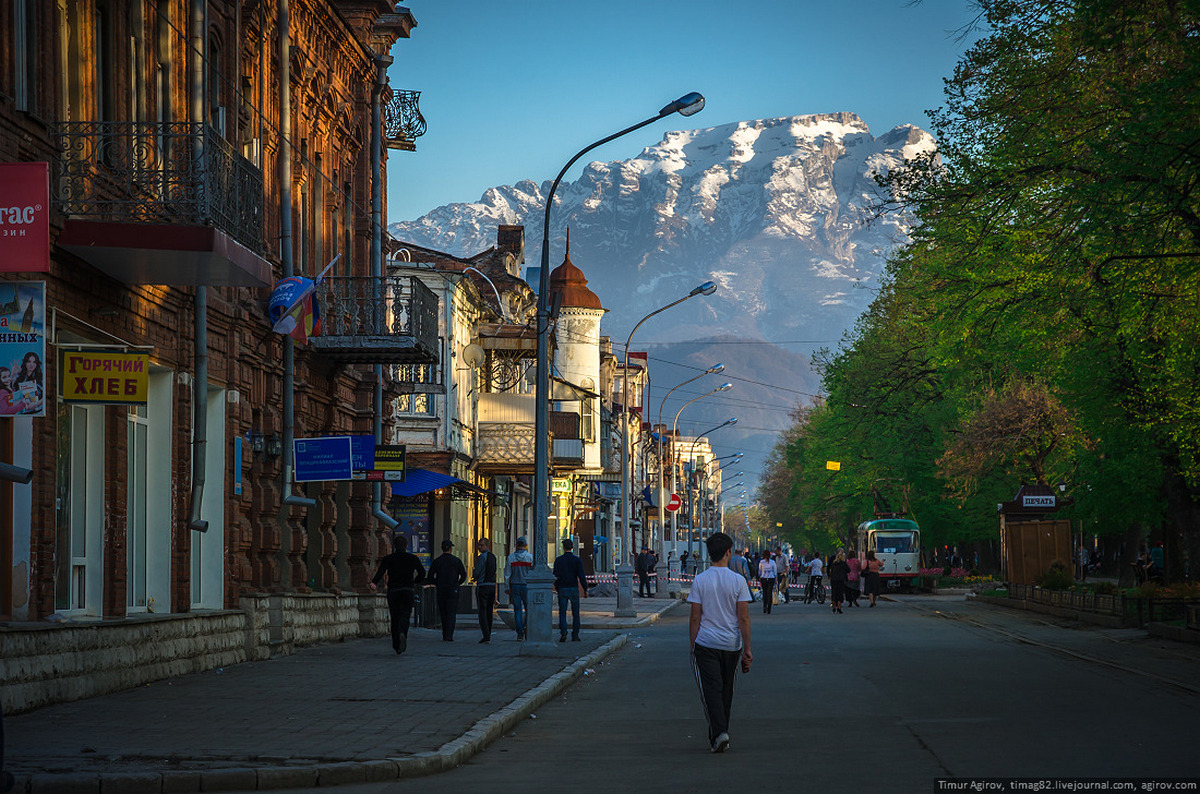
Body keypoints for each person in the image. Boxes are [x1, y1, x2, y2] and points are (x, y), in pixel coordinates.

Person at [688, 531, 752, 754]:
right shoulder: (739, 581)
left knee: (710, 690)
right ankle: (721, 732)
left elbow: (695, 616)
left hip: (706, 643)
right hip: (731, 645)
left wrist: (692, 644)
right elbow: (743, 617)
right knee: (726, 690)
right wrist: (747, 649)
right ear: (728, 553)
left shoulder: (700, 580)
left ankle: (719, 733)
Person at [368, 534, 426, 654]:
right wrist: (415, 581)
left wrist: (374, 582)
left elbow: (381, 571)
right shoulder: (412, 558)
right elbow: (422, 572)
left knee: (395, 617)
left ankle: (396, 645)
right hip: (407, 590)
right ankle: (402, 633)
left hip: (393, 591)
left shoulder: (389, 559)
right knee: (405, 614)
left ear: (395, 546)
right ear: (406, 546)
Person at [428, 539, 467, 641]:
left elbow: (430, 576)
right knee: (451, 612)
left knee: (443, 611)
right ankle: (449, 635)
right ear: (450, 549)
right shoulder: (456, 561)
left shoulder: (437, 561)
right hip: (453, 589)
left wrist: (437, 583)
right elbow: (463, 575)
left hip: (441, 589)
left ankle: (445, 633)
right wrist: (457, 583)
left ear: (442, 548)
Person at [553, 538, 589, 642]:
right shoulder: (577, 560)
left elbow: (555, 575)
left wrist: (557, 586)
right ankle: (575, 635)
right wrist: (585, 589)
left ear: (563, 547)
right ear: (572, 547)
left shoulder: (559, 560)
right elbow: (581, 576)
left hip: (562, 589)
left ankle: (563, 633)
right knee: (575, 613)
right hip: (573, 588)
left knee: (562, 612)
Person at [505, 536, 534, 640]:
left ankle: (520, 633)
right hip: (527, 586)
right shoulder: (530, 558)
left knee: (517, 610)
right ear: (525, 545)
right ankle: (526, 626)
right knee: (528, 609)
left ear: (516, 545)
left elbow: (507, 574)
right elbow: (533, 573)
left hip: (515, 586)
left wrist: (507, 586)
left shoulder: (511, 557)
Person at [472, 537, 498, 643]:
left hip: (483, 586)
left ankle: (486, 635)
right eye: (479, 545)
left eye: (481, 545)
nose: (479, 547)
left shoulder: (482, 557)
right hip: (491, 586)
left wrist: (474, 576)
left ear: (487, 546)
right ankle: (488, 633)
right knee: (489, 612)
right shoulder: (493, 557)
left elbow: (477, 572)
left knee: (482, 612)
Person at [757, 549, 777, 614]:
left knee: (765, 593)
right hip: (771, 578)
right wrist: (775, 577)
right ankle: (769, 608)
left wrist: (760, 576)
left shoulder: (761, 562)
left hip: (763, 579)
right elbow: (775, 571)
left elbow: (759, 571)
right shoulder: (772, 562)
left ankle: (764, 606)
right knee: (769, 593)